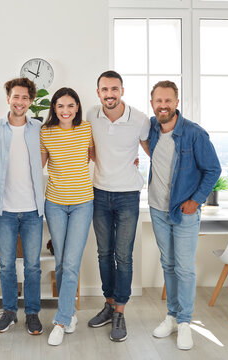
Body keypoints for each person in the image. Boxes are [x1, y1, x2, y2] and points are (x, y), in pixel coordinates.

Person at [147, 81, 220, 350]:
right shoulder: (153, 129)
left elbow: (213, 169)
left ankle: (186, 322)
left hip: (184, 210)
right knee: (168, 265)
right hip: (157, 208)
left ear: (176, 103)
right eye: (158, 101)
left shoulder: (194, 134)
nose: (163, 105)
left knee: (185, 268)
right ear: (152, 103)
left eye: (168, 100)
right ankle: (172, 317)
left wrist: (196, 200)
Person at [86, 70, 150, 342]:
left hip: (127, 195)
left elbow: (153, 152)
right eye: (104, 89)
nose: (109, 94)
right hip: (99, 192)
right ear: (98, 92)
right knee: (104, 253)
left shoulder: (139, 120)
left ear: (122, 90)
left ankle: (120, 312)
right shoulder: (91, 115)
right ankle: (109, 304)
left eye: (114, 89)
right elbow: (89, 148)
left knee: (123, 255)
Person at [0, 78, 44, 335]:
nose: (19, 102)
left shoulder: (39, 128)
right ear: (8, 98)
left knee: (32, 265)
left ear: (30, 101)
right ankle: (9, 312)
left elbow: (57, 153)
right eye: (15, 96)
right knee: (7, 264)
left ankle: (32, 313)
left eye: (24, 98)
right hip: (5, 209)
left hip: (33, 210)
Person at [40, 88, 94, 346]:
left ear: (77, 107)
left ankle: (60, 321)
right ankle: (69, 312)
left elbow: (97, 157)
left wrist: (131, 163)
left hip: (83, 202)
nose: (65, 110)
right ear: (54, 107)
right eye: (60, 106)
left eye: (70, 105)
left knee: (71, 262)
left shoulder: (86, 129)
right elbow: (36, 166)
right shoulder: (46, 132)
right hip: (55, 204)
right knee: (61, 262)